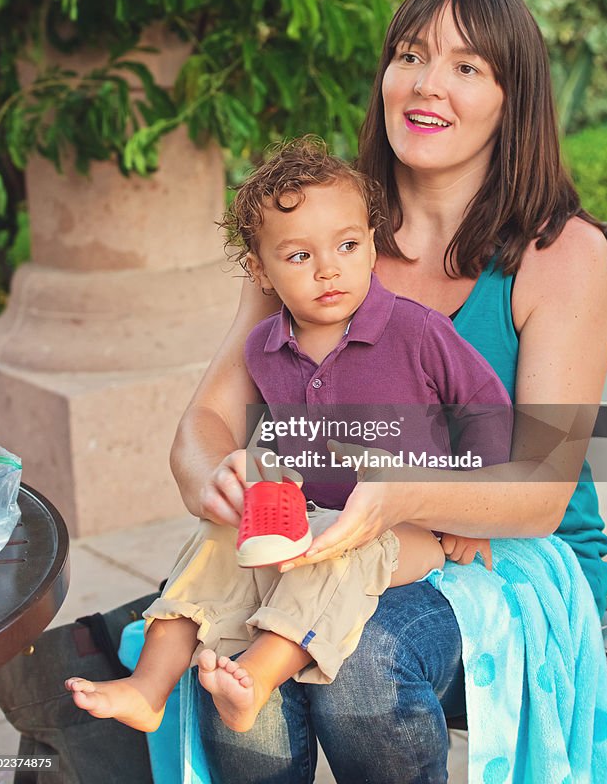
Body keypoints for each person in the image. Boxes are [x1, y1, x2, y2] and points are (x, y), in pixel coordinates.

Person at [170, 0, 607, 783]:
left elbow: (543, 489)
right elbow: (207, 420)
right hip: (338, 536)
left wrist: (404, 493)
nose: (426, 84)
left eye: (467, 67)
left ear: (513, 99)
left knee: (363, 665)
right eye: (410, 55)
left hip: (505, 559)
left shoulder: (560, 256)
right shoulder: (315, 234)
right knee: (236, 652)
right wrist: (215, 479)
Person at [64, 139, 511, 735]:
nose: (329, 269)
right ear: (260, 269)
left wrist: (465, 509)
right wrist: (257, 471)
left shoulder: (415, 330)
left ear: (372, 246)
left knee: (344, 554)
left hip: (408, 526)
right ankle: (149, 685)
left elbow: (488, 412)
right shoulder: (265, 349)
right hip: (314, 514)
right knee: (214, 537)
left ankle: (258, 676)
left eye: (347, 246)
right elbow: (281, 433)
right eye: (299, 255)